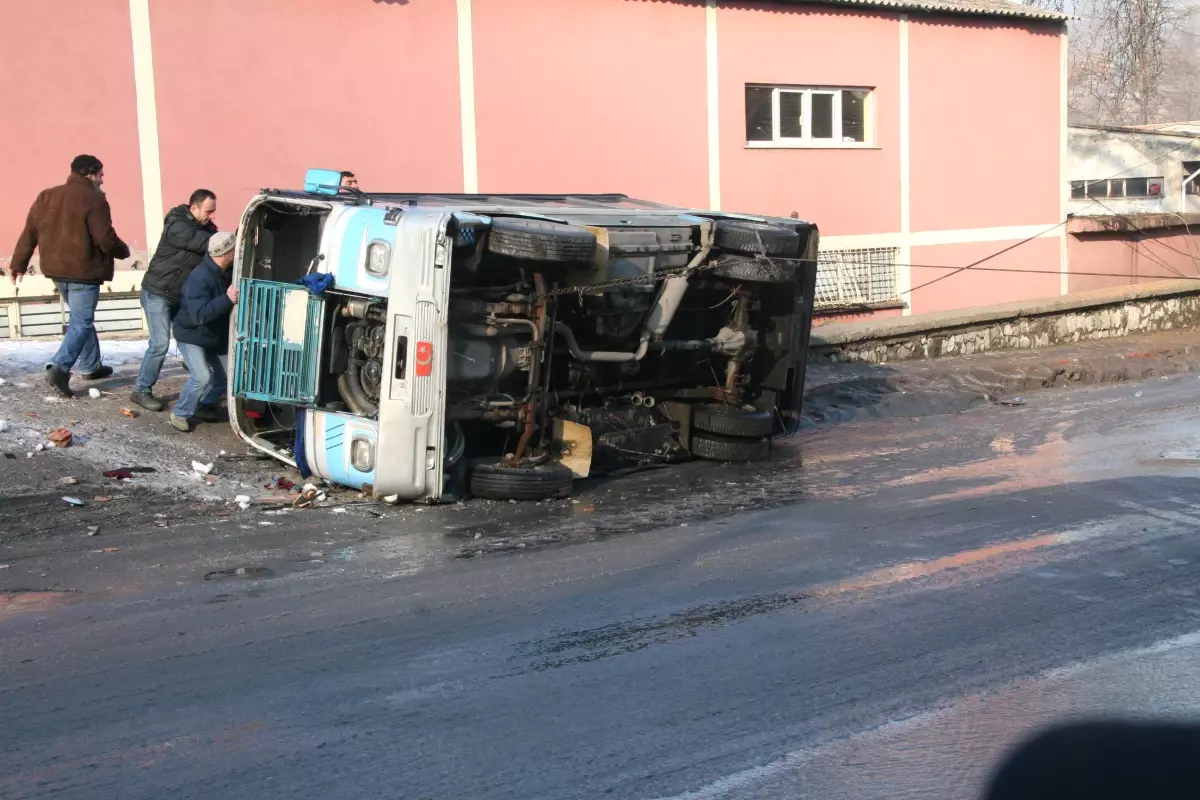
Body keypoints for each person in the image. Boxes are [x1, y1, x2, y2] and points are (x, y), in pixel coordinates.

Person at [9, 155, 131, 398]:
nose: (103, 179)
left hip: (56, 269)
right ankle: (59, 368)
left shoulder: (47, 195)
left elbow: (30, 231)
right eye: (101, 174)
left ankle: (91, 366)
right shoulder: (94, 199)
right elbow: (105, 238)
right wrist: (123, 250)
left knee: (80, 319)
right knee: (82, 322)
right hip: (84, 271)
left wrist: (18, 263)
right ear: (90, 174)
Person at [130, 189, 218, 411]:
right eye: (209, 211)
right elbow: (201, 242)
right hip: (157, 292)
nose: (212, 216)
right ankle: (141, 390)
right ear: (194, 208)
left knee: (192, 338)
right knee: (160, 343)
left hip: (181, 297)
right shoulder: (177, 224)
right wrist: (222, 241)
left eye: (214, 212)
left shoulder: (207, 230)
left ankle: (202, 384)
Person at [170, 231, 238, 432]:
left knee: (228, 377)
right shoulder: (199, 278)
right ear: (225, 253)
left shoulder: (227, 270)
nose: (238, 253)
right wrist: (227, 299)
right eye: (235, 250)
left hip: (212, 335)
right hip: (192, 335)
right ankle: (180, 412)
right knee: (201, 377)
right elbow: (200, 315)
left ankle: (203, 404)